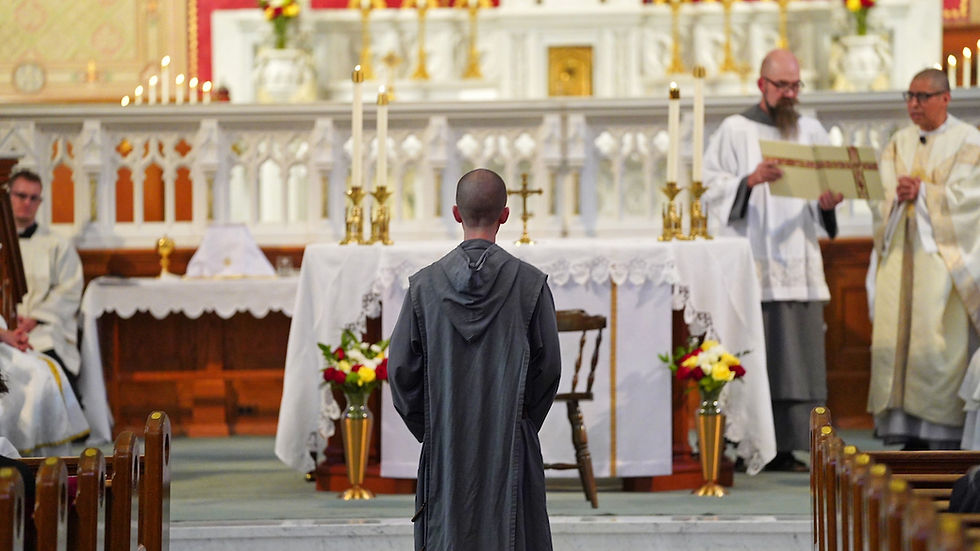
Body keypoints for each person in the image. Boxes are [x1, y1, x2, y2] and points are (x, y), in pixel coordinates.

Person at [388, 168, 562, 551]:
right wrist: (518, 422)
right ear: (505, 215)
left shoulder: (424, 286)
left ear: (455, 213)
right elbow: (548, 371)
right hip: (512, 441)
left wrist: (435, 429)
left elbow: (401, 373)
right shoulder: (531, 284)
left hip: (446, 446)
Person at [702, 49, 844, 471]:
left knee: (796, 358)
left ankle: (788, 446)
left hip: (796, 257)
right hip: (750, 260)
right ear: (761, 84)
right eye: (782, 85)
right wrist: (749, 181)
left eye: (796, 85)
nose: (790, 93)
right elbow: (710, 188)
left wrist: (829, 202)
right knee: (748, 354)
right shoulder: (734, 130)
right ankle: (739, 441)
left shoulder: (811, 130)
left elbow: (827, 197)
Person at [867, 68, 980, 450]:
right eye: (909, 96)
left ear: (946, 98)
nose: (914, 104)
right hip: (900, 251)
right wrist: (896, 196)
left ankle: (940, 433)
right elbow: (878, 195)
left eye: (923, 96)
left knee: (936, 343)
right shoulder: (898, 142)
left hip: (941, 258)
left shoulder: (969, 141)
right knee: (895, 340)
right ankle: (905, 431)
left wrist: (927, 193)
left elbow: (971, 201)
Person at [8, 170, 84, 400]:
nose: (27, 203)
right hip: (4, 326)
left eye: (34, 198)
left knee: (51, 357)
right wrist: (8, 320)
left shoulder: (57, 245)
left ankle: (67, 417)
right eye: (21, 195)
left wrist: (35, 318)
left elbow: (69, 290)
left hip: (42, 325)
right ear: (7, 196)